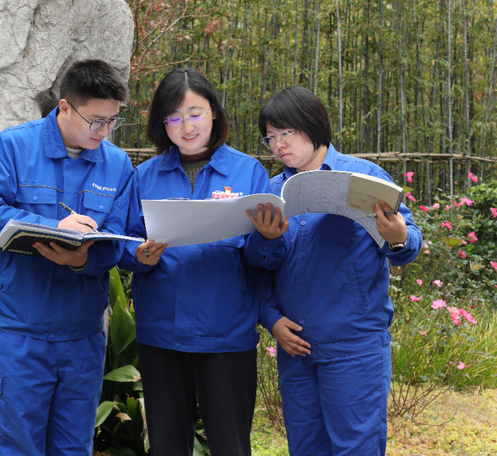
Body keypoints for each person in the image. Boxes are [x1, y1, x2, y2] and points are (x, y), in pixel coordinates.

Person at [118, 67, 287, 456]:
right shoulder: (144, 176)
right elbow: (123, 243)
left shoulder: (248, 172)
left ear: (214, 113)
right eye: (174, 117)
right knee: (167, 446)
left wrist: (267, 238)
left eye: (195, 113)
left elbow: (264, 259)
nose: (187, 126)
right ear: (162, 124)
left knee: (231, 445)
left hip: (226, 334)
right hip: (161, 334)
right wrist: (139, 256)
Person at [0, 60, 134, 455]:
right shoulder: (12, 148)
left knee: (73, 447)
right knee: (19, 445)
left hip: (83, 336)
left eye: (112, 121)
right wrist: (53, 226)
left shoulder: (117, 165)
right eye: (96, 121)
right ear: (64, 107)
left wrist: (80, 261)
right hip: (20, 332)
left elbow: (116, 242)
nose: (103, 131)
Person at [251, 86, 422, 456]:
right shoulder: (271, 192)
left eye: (286, 132)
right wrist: (271, 319)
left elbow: (407, 245)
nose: (279, 144)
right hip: (296, 348)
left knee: (356, 446)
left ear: (312, 125)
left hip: (354, 346)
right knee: (305, 447)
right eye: (270, 137)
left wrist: (398, 237)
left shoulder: (363, 178)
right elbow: (257, 267)